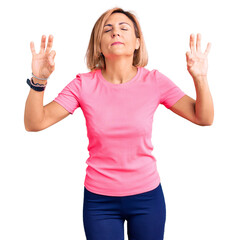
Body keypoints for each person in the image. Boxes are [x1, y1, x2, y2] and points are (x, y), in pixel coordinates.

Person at [24, 7, 214, 240]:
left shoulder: (154, 81)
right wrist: (39, 80)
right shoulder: (83, 85)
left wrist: (200, 78)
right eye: (108, 29)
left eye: (123, 28)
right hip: (99, 202)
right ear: (99, 45)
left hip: (147, 198)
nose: (115, 33)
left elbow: (203, 117)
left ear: (136, 42)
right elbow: (35, 122)